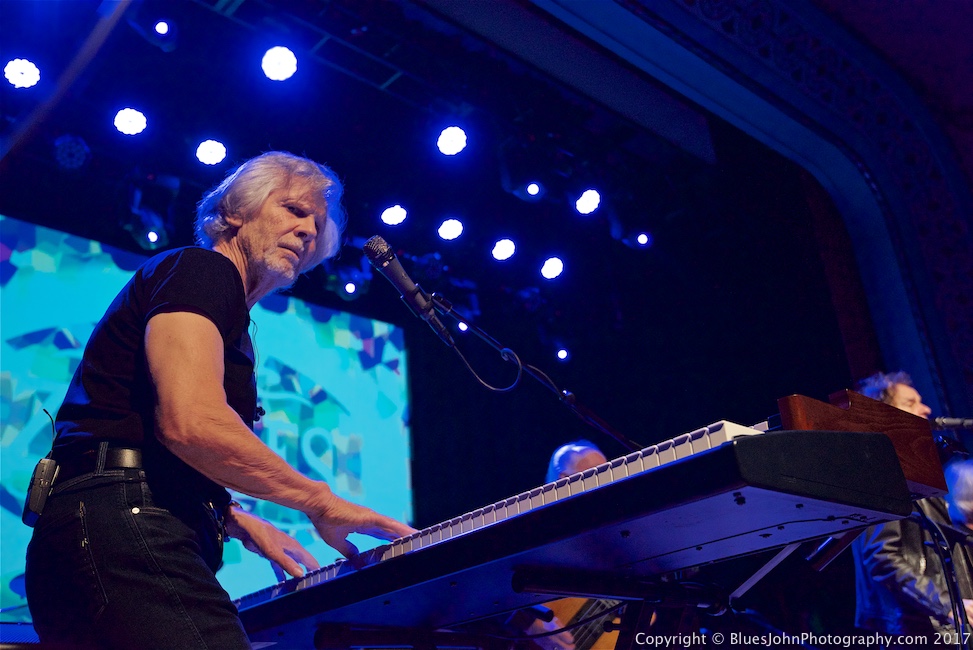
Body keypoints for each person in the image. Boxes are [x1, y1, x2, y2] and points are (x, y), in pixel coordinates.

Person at [24, 151, 416, 649]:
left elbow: (145, 432)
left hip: (91, 533)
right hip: (117, 529)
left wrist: (233, 519)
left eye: (317, 226)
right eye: (294, 210)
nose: (308, 232)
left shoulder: (219, 303)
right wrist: (319, 500)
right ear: (234, 212)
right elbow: (192, 425)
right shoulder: (201, 269)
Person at [853, 371, 973, 642]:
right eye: (910, 403)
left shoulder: (917, 468)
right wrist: (948, 605)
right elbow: (882, 557)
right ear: (886, 415)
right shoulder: (880, 471)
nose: (926, 409)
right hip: (916, 629)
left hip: (942, 623)